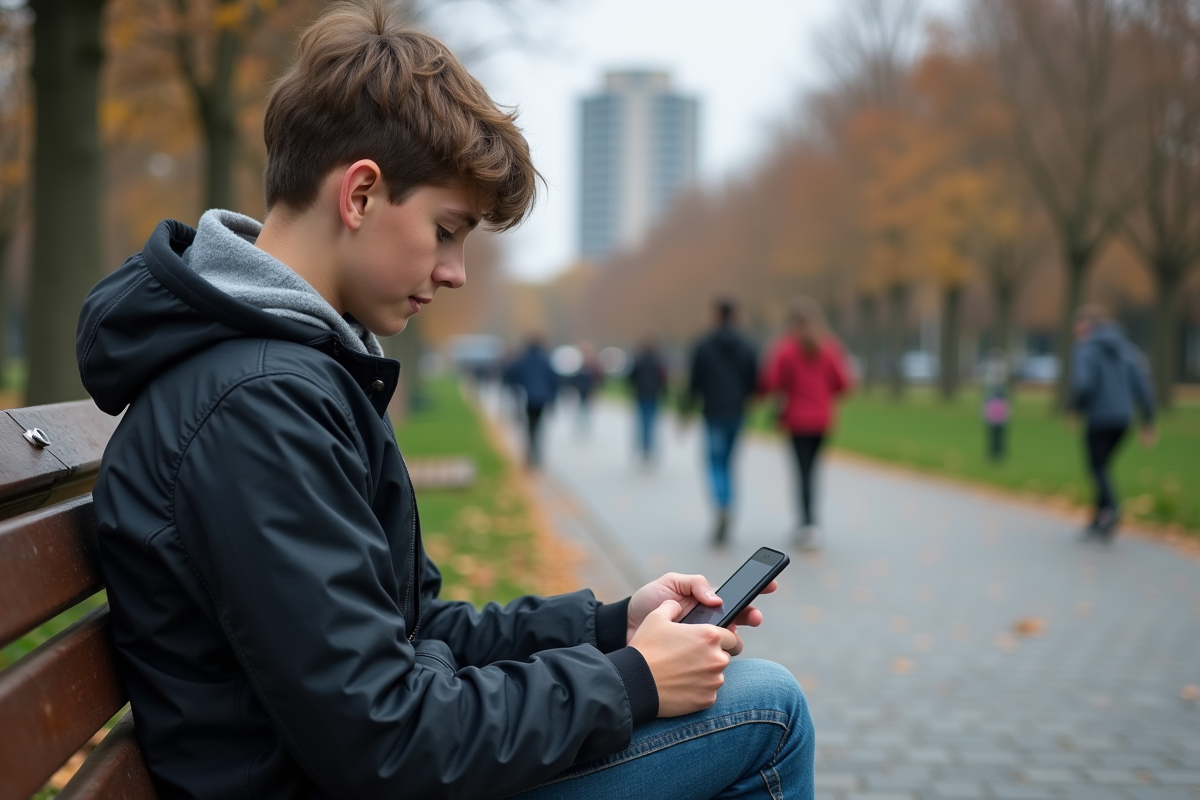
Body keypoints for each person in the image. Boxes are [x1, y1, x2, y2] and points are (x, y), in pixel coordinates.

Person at [74, 4, 813, 798]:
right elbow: (385, 740)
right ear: (360, 194)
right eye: (448, 229)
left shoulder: (295, 371)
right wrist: (632, 681)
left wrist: (612, 626)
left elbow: (416, 631)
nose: (457, 271)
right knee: (765, 711)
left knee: (754, 698)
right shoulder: (260, 405)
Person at [760, 297, 851, 550]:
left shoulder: (786, 349)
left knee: (802, 472)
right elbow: (844, 383)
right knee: (813, 471)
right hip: (822, 419)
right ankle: (811, 523)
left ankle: (806, 523)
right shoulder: (830, 347)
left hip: (797, 420)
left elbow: (772, 382)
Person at [1068, 305, 1157, 541]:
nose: (1076, 333)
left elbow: (1084, 383)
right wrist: (1148, 420)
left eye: (1078, 327)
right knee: (1102, 466)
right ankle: (1098, 520)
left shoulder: (1086, 348)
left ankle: (1112, 509)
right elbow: (1142, 386)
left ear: (1086, 326)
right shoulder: (1128, 350)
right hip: (1124, 419)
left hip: (1099, 417)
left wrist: (1075, 409)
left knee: (1096, 466)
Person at [686, 298, 759, 546]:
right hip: (737, 411)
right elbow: (754, 380)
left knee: (715, 463)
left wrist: (686, 410)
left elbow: (694, 381)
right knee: (729, 463)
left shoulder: (704, 345)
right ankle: (728, 505)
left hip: (713, 412)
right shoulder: (746, 344)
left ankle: (722, 505)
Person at [504, 336, 559, 467]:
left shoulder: (523, 360)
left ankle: (530, 453)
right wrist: (553, 400)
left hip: (527, 397)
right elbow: (554, 380)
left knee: (530, 426)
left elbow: (510, 374)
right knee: (538, 425)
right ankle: (536, 453)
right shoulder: (545, 359)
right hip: (542, 399)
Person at [627, 338, 669, 462]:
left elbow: (631, 378)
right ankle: (650, 447)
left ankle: (645, 448)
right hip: (654, 395)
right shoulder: (658, 362)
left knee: (643, 422)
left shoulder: (638, 361)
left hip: (641, 395)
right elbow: (663, 379)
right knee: (651, 422)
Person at [981, 348, 1010, 464]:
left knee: (999, 430)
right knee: (992, 429)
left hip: (998, 403)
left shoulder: (1002, 375)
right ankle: (993, 451)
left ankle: (999, 451)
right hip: (993, 402)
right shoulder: (990, 375)